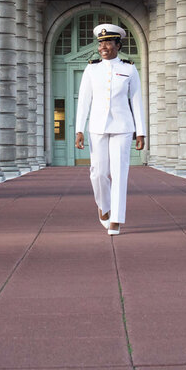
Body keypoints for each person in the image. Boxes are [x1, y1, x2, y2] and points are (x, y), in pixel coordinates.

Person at [75, 22, 146, 236]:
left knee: (119, 173)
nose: (103, 47)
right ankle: (103, 206)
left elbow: (136, 102)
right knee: (98, 173)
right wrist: (79, 129)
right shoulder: (91, 68)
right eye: (100, 43)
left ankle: (116, 218)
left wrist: (141, 131)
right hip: (97, 126)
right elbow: (84, 101)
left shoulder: (129, 68)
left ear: (117, 44)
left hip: (123, 127)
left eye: (107, 43)